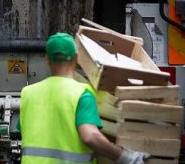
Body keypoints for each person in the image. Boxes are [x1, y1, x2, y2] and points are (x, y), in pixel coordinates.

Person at [19, 33, 150, 164]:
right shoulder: (82, 93)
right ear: (76, 58)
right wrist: (125, 157)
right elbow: (90, 136)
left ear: (47, 59)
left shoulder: (28, 93)